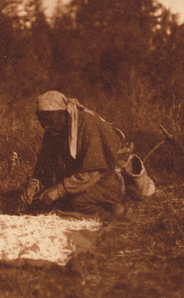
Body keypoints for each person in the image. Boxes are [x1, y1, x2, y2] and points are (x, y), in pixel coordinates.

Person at [20, 90, 130, 219]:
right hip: (78, 179)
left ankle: (112, 211)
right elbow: (44, 166)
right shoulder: (52, 129)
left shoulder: (87, 125)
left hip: (106, 179)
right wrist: (33, 186)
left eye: (50, 122)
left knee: (74, 201)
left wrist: (59, 190)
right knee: (41, 200)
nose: (46, 127)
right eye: (42, 122)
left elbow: (93, 172)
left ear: (64, 114)